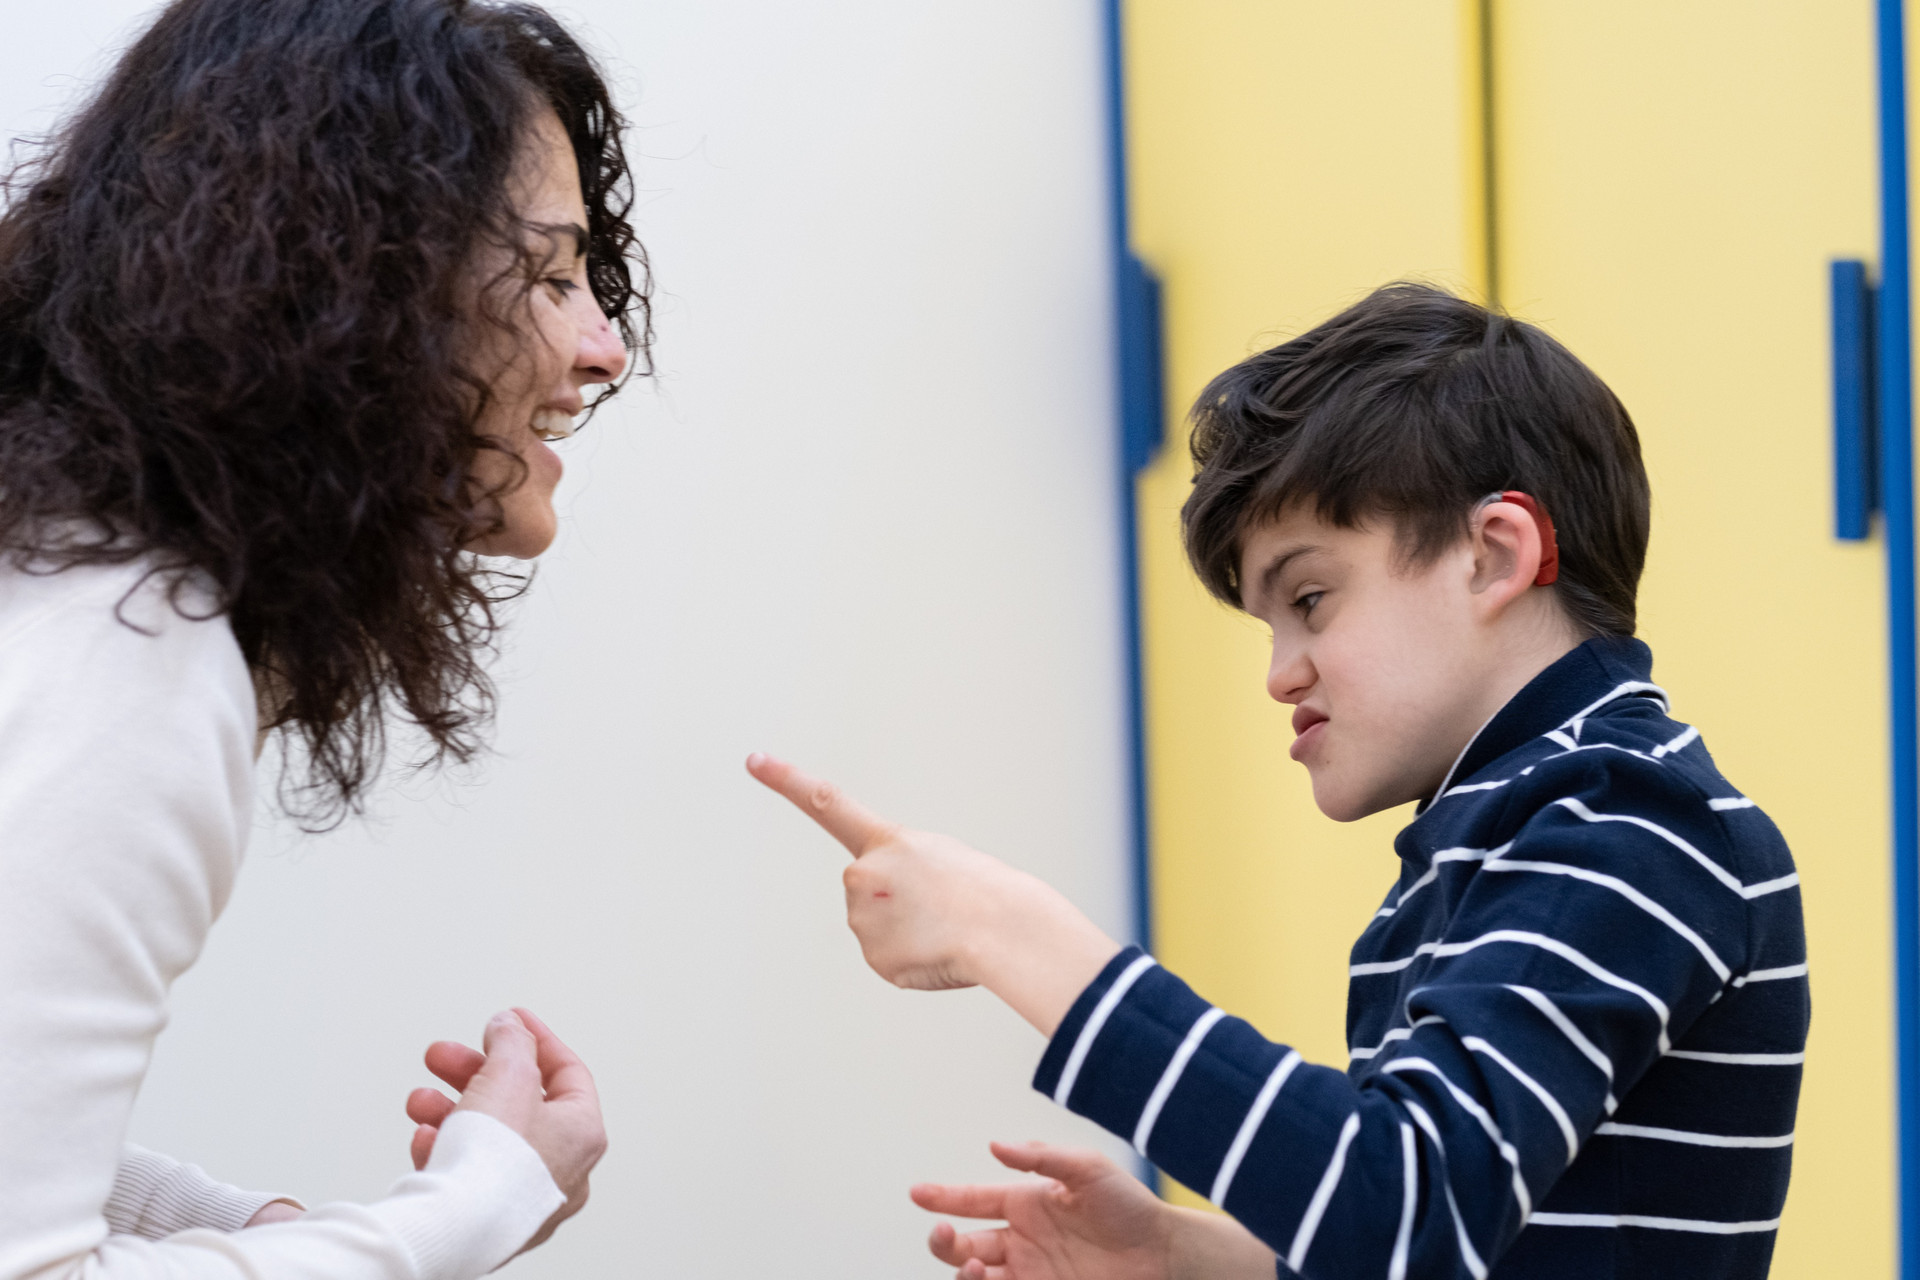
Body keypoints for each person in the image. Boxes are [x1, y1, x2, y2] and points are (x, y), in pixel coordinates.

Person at [750, 283, 1808, 1279]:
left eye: (1311, 597)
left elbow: (1407, 1204)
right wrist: (1186, 1254)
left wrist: (1010, 930)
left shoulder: (1626, 818)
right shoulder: (1522, 821)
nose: (1278, 672)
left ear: (1492, 552)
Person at [0, 1, 643, 1277]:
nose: (603, 349)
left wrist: (241, 1229)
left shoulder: (66, 578)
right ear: (363, 288)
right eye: (556, 274)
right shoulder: (135, 655)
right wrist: (476, 1201)